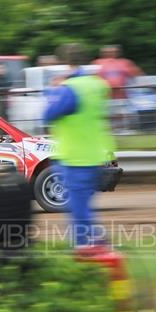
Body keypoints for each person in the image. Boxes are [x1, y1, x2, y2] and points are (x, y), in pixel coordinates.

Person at [43, 43, 116, 250]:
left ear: (65, 63)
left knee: (79, 210)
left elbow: (48, 114)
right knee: (82, 207)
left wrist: (53, 90)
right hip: (97, 154)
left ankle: (88, 249)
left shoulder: (70, 89)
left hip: (75, 157)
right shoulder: (98, 84)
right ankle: (92, 244)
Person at [93, 45, 144, 133]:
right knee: (107, 115)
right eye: (107, 52)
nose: (110, 54)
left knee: (122, 113)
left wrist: (139, 87)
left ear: (117, 52)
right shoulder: (97, 63)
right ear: (102, 53)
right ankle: (109, 132)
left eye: (113, 52)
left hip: (121, 95)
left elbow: (138, 75)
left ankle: (123, 131)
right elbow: (91, 78)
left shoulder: (125, 62)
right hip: (104, 96)